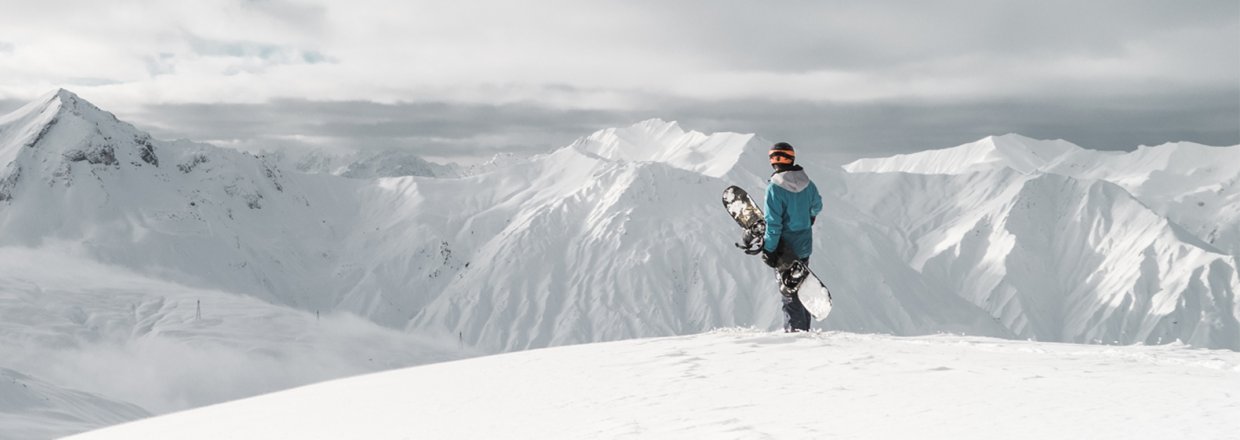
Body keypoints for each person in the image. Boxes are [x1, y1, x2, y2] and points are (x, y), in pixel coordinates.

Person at [760, 142, 823, 332]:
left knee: (789, 293)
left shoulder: (774, 188)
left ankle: (795, 336)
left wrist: (769, 249)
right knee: (802, 288)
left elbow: (773, 224)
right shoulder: (808, 184)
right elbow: (817, 206)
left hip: (783, 248)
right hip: (804, 245)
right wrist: (808, 216)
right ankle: (803, 331)